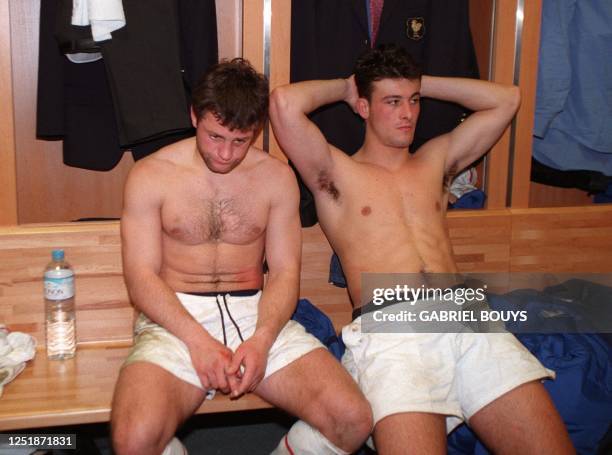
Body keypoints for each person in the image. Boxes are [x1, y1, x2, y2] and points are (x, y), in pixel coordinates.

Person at [270, 45, 575, 454]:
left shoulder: (436, 159)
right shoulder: (338, 173)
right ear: (363, 106)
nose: (408, 113)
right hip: (394, 333)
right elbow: (284, 104)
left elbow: (507, 99)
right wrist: (347, 86)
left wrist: (419, 83)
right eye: (392, 102)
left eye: (413, 102)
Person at [111, 58, 372, 455]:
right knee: (134, 440)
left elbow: (285, 272)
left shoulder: (276, 178)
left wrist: (263, 340)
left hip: (257, 314)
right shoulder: (152, 175)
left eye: (240, 140)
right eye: (216, 136)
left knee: (352, 420)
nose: (226, 154)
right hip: (176, 318)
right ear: (194, 115)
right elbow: (141, 277)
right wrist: (198, 342)